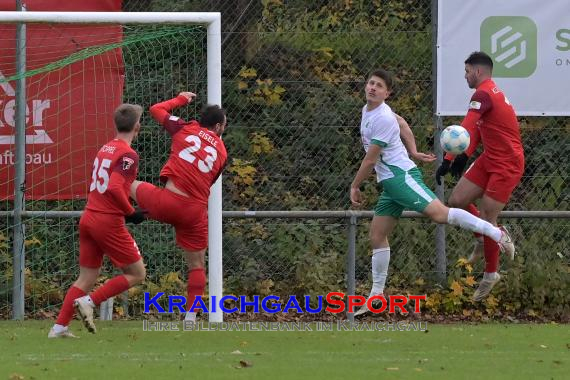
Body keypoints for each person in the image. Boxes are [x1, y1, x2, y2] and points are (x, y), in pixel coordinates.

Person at [351, 69, 514, 317]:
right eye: (370, 83)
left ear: (387, 93)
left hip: (401, 178)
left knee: (440, 214)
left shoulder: (382, 117)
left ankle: (496, 233)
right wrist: (414, 151)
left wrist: (354, 185)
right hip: (390, 184)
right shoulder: (369, 111)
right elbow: (402, 123)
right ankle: (376, 298)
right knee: (377, 236)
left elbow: (370, 160)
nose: (372, 88)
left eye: (379, 86)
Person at [49, 104, 147, 338]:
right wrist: (130, 212)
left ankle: (59, 327)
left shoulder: (106, 148)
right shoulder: (129, 155)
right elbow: (114, 187)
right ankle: (89, 302)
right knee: (137, 273)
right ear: (137, 127)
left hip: (89, 217)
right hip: (107, 221)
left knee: (87, 277)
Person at [130, 91, 228, 322]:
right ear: (217, 127)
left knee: (124, 183)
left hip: (167, 202)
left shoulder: (184, 128)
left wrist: (181, 100)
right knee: (196, 264)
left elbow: (156, 110)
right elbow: (208, 181)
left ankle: (122, 215)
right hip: (194, 213)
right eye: (224, 125)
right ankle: (191, 316)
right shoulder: (222, 153)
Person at [435, 51, 524, 301]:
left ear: (477, 71)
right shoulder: (488, 92)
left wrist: (451, 156)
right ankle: (481, 235)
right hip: (489, 159)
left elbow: (466, 124)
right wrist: (453, 159)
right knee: (456, 201)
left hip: (507, 164)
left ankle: (490, 274)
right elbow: (473, 130)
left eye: (466, 72)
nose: (465, 76)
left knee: (488, 216)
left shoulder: (483, 92)